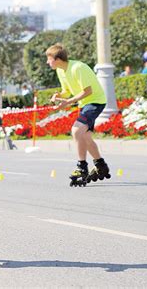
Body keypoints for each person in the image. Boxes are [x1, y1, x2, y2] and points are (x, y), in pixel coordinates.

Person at [46, 43, 111, 187]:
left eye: (49, 58)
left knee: (76, 131)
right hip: (85, 104)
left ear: (57, 59)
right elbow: (67, 90)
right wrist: (58, 95)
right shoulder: (61, 71)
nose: (47, 62)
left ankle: (82, 167)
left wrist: (68, 102)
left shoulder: (78, 68)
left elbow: (87, 91)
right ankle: (100, 165)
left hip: (95, 102)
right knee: (85, 136)